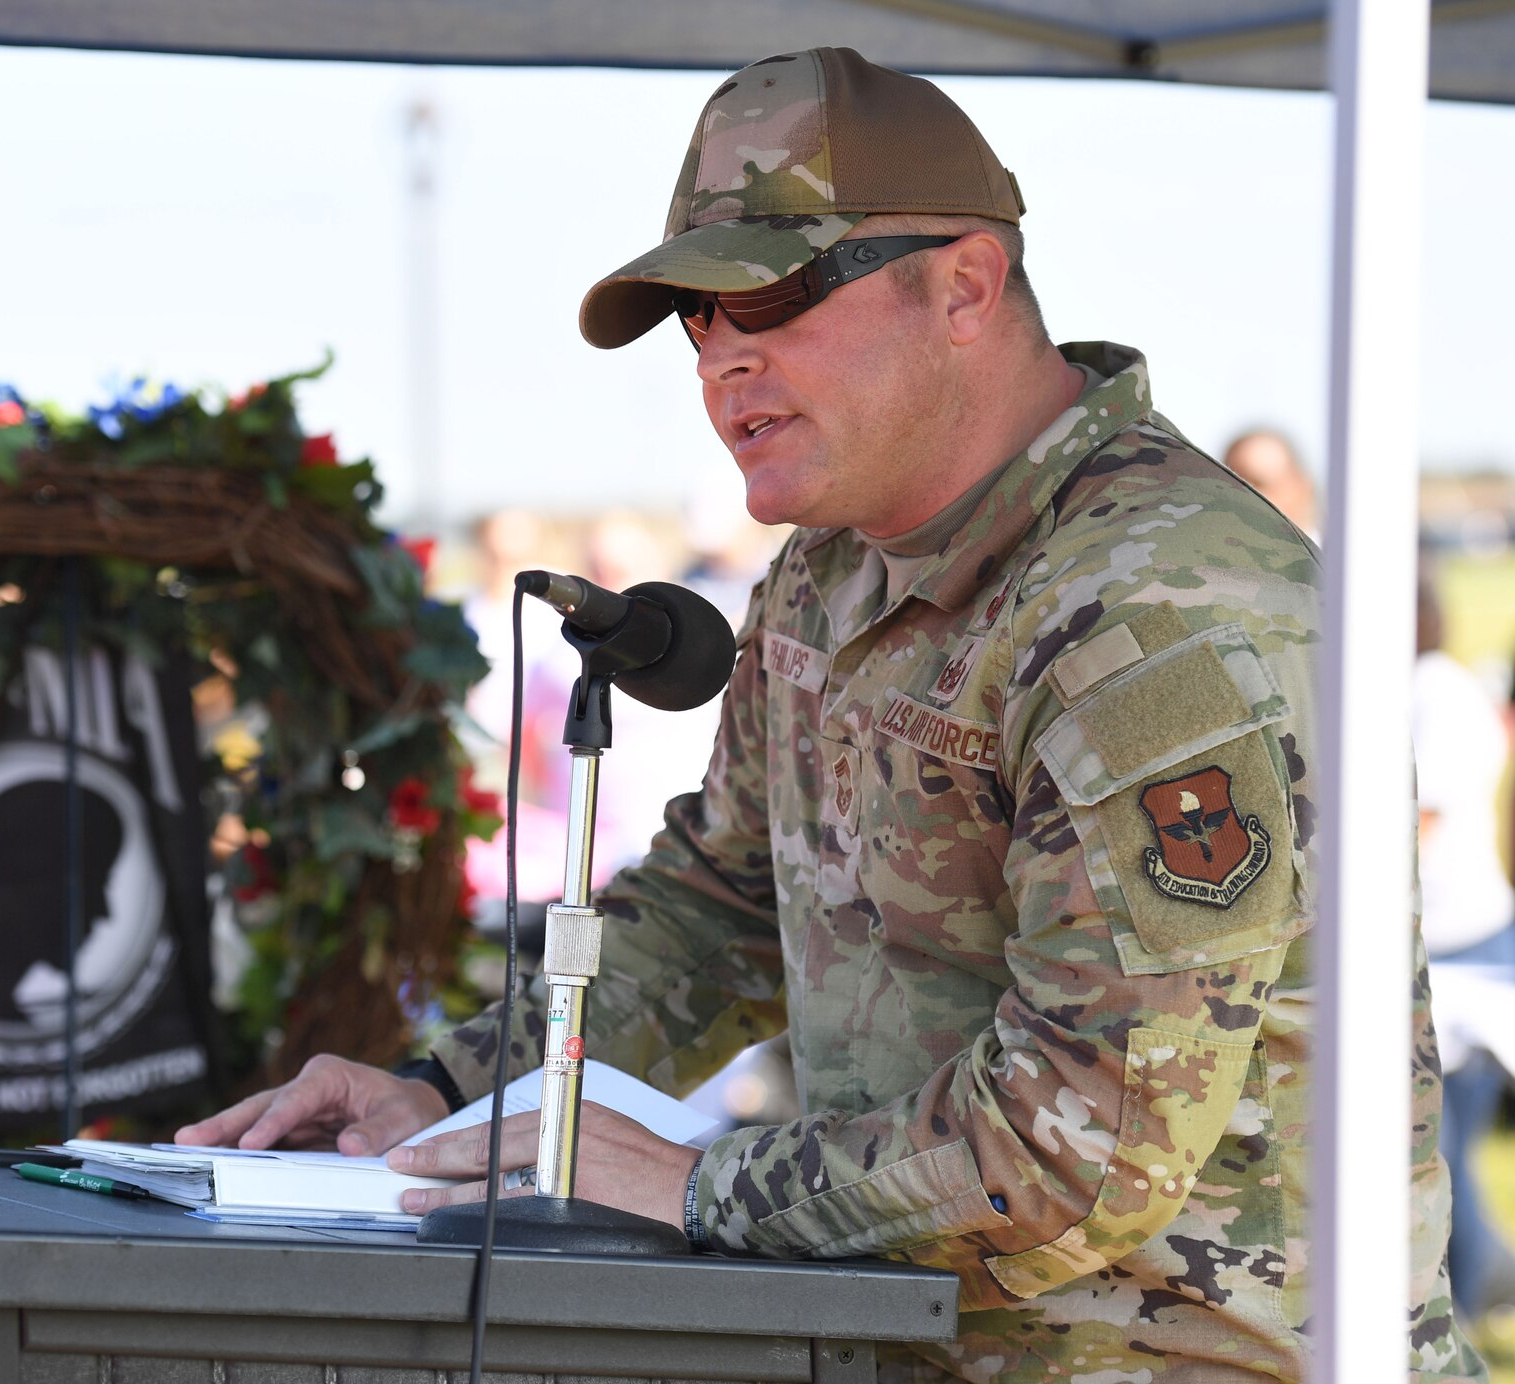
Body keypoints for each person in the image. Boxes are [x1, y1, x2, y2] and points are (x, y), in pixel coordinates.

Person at [175, 49, 1476, 1379]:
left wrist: (687, 1185)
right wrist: (448, 1096)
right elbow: (722, 908)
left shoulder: (1155, 615)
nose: (725, 359)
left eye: (777, 295)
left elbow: (1086, 1146)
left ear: (965, 283)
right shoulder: (832, 569)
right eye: (694, 317)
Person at [1414, 572, 1515, 1323]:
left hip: (1458, 952)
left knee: (1438, 1152)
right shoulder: (1432, 686)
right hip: (1451, 943)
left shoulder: (1433, 693)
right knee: (1443, 1151)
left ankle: (1473, 1303)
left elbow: (1421, 823)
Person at [1222, 428, 1320, 539]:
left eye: (1257, 485)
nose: (1240, 497)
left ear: (1302, 488)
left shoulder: (1339, 551)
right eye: (1230, 485)